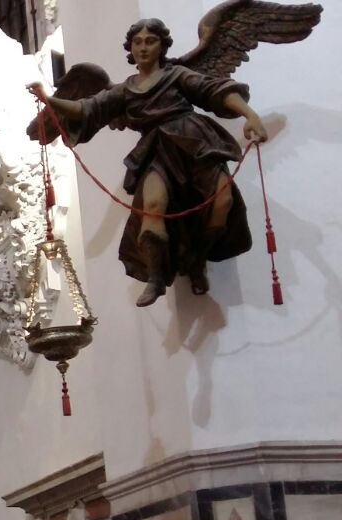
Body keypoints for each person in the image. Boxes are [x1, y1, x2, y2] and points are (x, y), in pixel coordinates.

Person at [29, 19, 270, 307]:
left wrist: (250, 115)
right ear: (130, 49)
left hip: (195, 141)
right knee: (153, 206)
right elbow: (86, 108)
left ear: (162, 46)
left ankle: (198, 258)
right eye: (137, 42)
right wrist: (48, 100)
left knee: (223, 201)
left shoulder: (176, 74)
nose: (143, 47)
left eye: (150, 41)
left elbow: (214, 90)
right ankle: (156, 278)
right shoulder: (126, 91)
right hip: (157, 150)